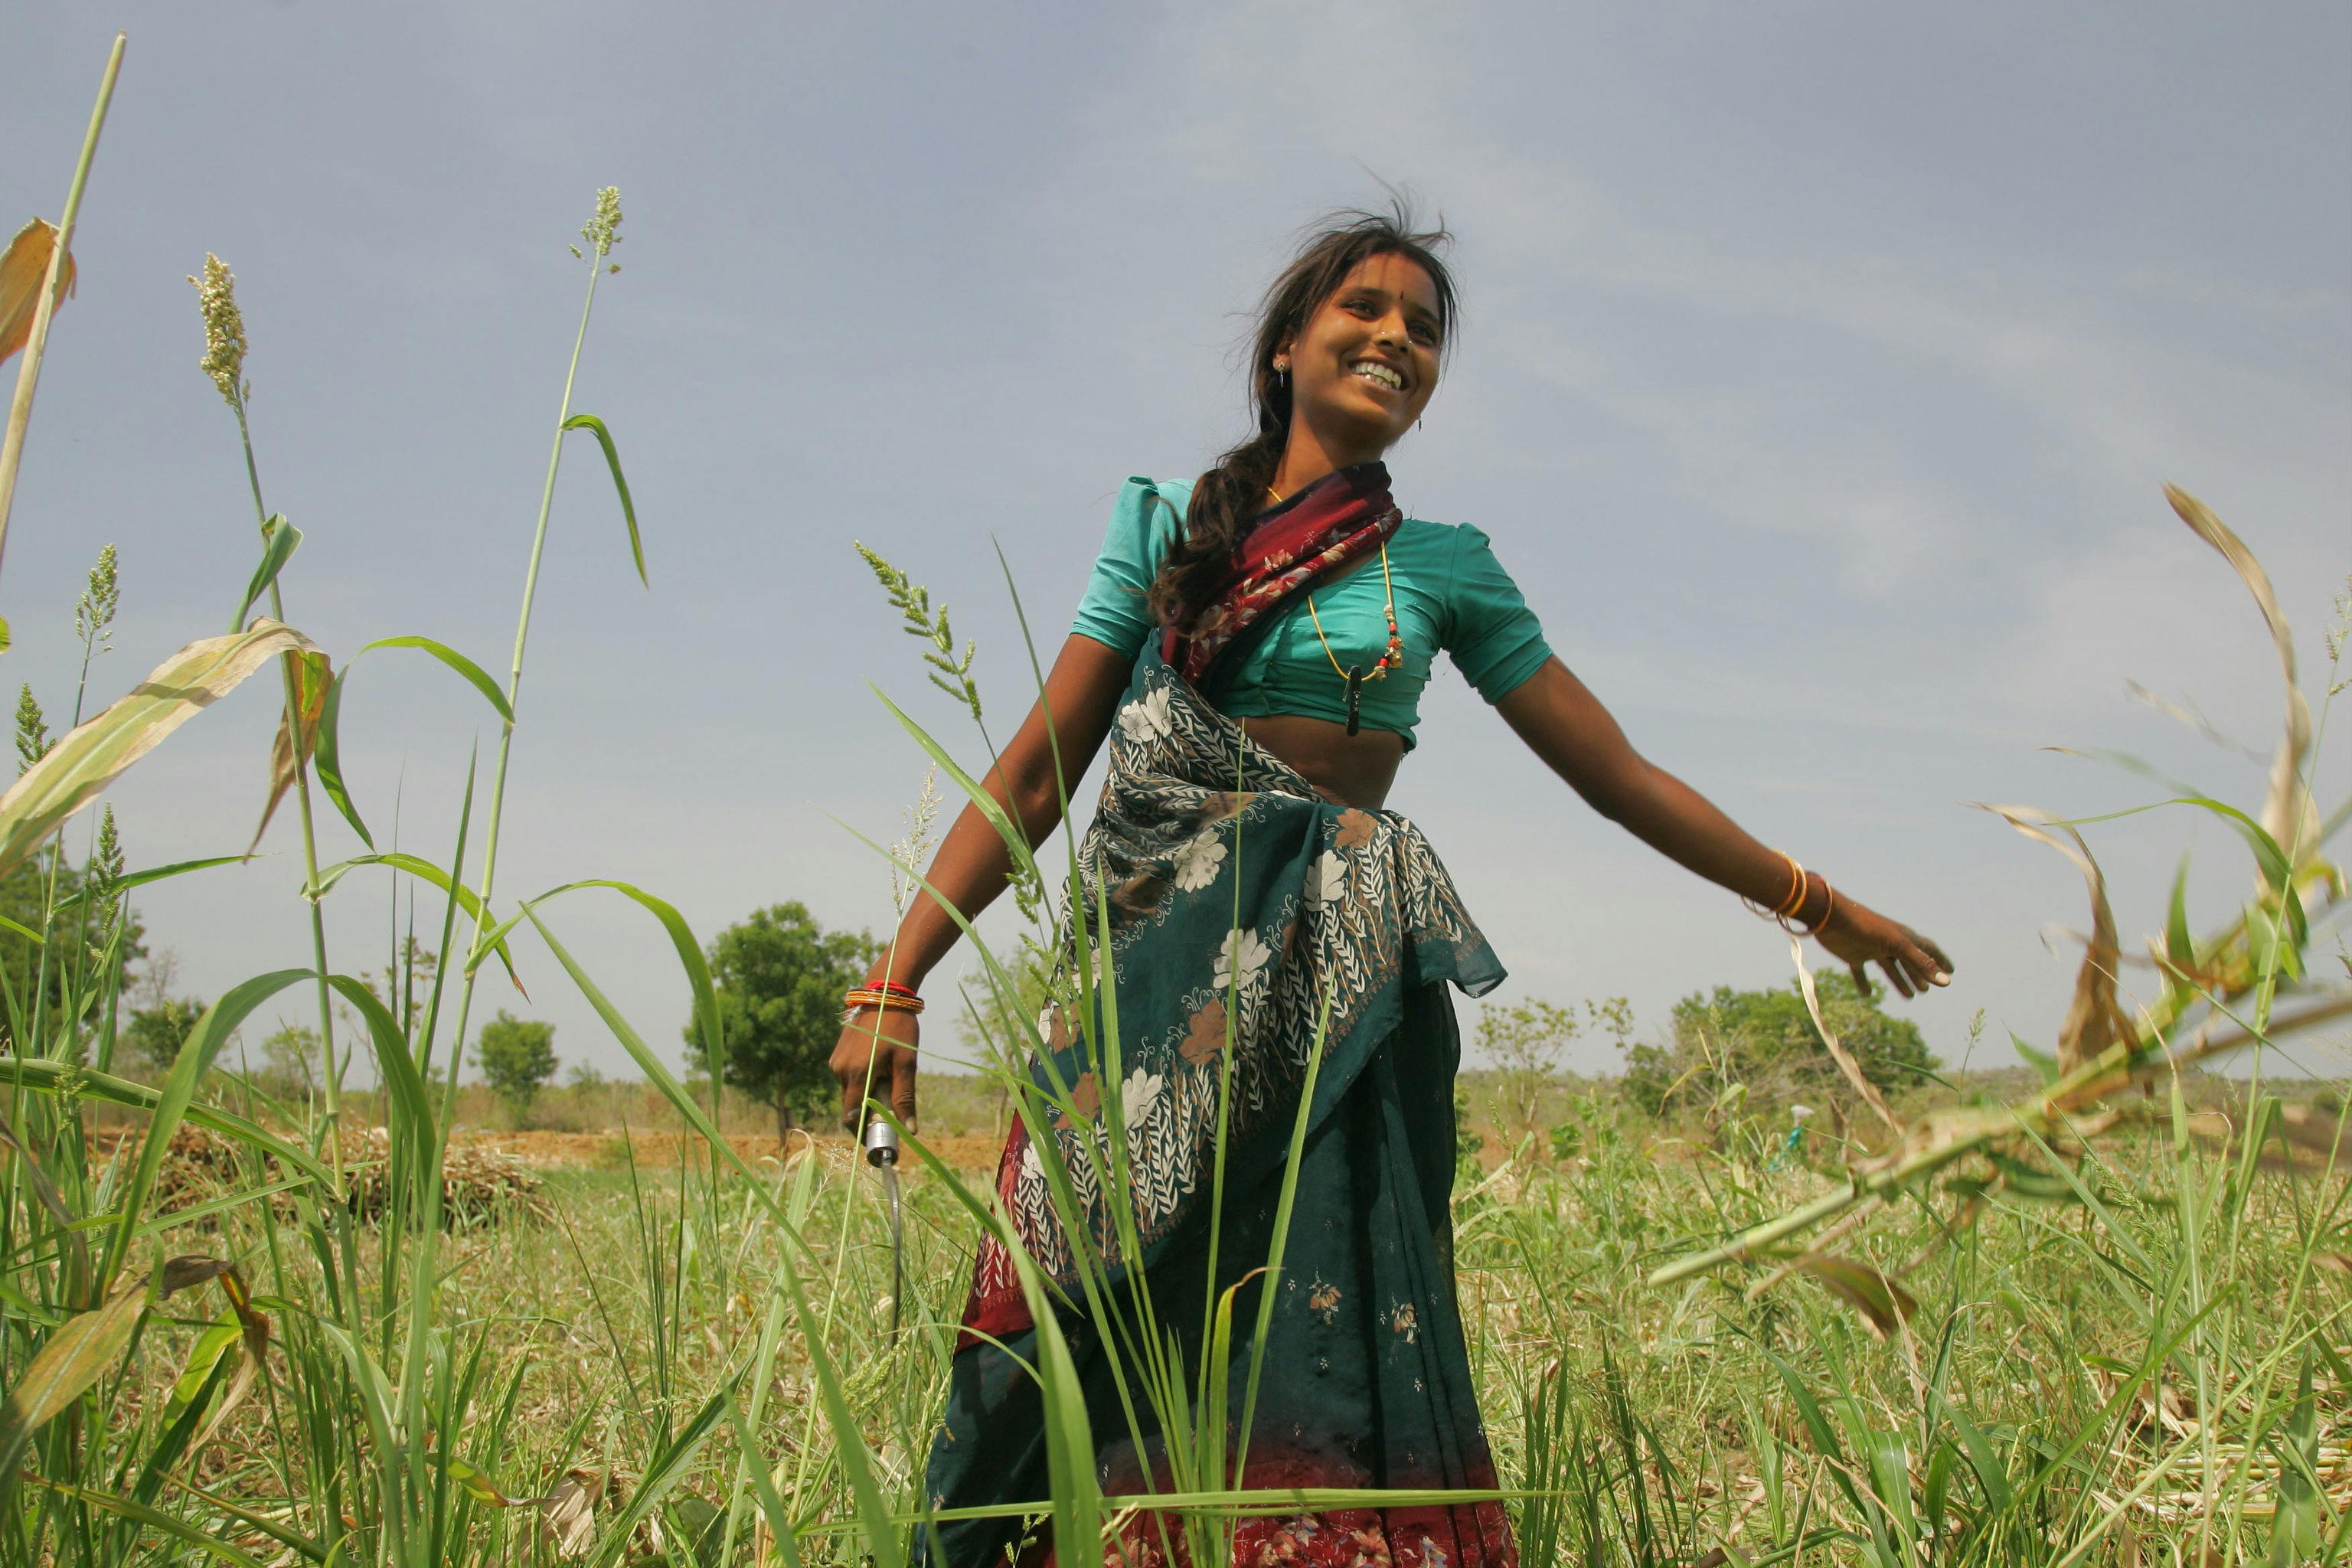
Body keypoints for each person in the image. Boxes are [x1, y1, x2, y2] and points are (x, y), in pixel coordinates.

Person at [831, 207, 1952, 1567]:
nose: (1396, 339)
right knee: (1084, 1313)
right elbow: (1032, 778)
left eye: (1423, 330)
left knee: (1311, 1334)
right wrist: (895, 981)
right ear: (1285, 348)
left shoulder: (1444, 566)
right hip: (1144, 1003)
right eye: (1364, 309)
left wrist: (1818, 904)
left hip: (1336, 1011)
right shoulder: (1166, 527)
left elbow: (1617, 775)